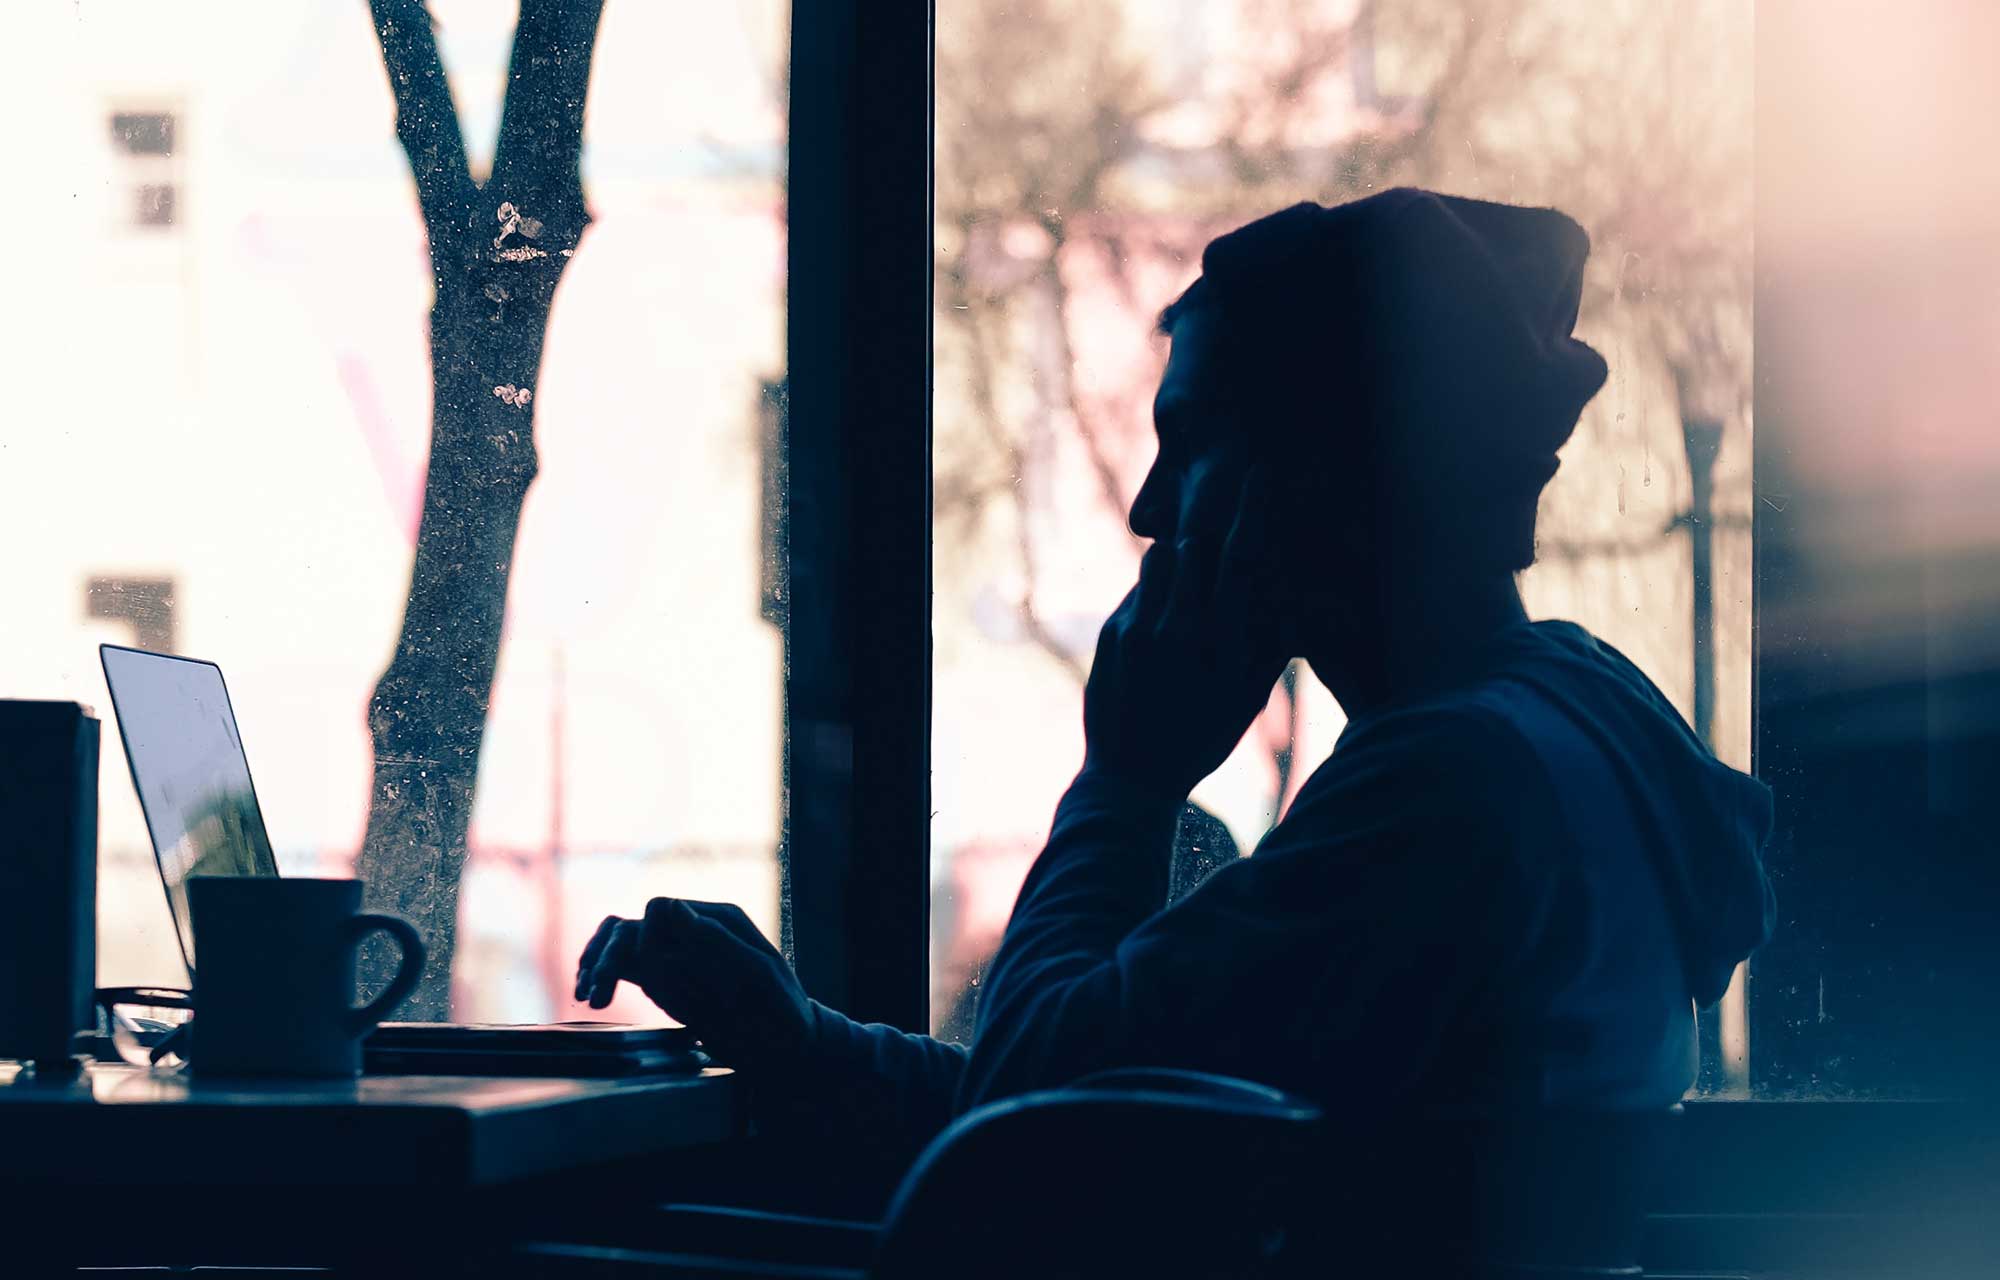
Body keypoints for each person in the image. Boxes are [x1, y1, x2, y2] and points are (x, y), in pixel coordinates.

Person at [576, 187, 1773, 1186]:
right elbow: (1114, 1082)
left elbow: (1028, 1129)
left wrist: (1127, 781)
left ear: (1325, 468)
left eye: (1192, 441)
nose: (1152, 508)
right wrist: (803, 1041)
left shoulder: (1445, 790)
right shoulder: (1563, 723)